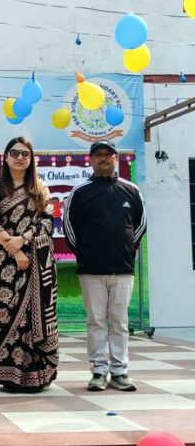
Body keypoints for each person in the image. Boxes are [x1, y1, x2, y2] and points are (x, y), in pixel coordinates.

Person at [63, 140, 146, 392]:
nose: (103, 159)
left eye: (108, 155)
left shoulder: (131, 190)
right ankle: (98, 371)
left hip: (122, 268)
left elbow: (140, 225)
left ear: (115, 158)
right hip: (91, 269)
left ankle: (120, 371)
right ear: (90, 160)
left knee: (119, 321)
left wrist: (128, 251)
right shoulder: (80, 192)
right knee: (96, 321)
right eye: (98, 155)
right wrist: (85, 254)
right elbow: (68, 227)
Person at [0, 137, 59, 392]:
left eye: (25, 154)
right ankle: (8, 374)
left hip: (36, 260)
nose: (19, 157)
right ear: (5, 157)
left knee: (32, 316)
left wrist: (23, 240)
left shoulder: (40, 188)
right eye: (14, 153)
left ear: (31, 159)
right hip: (4, 261)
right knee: (5, 312)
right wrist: (15, 252)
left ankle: (36, 375)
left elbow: (47, 223)